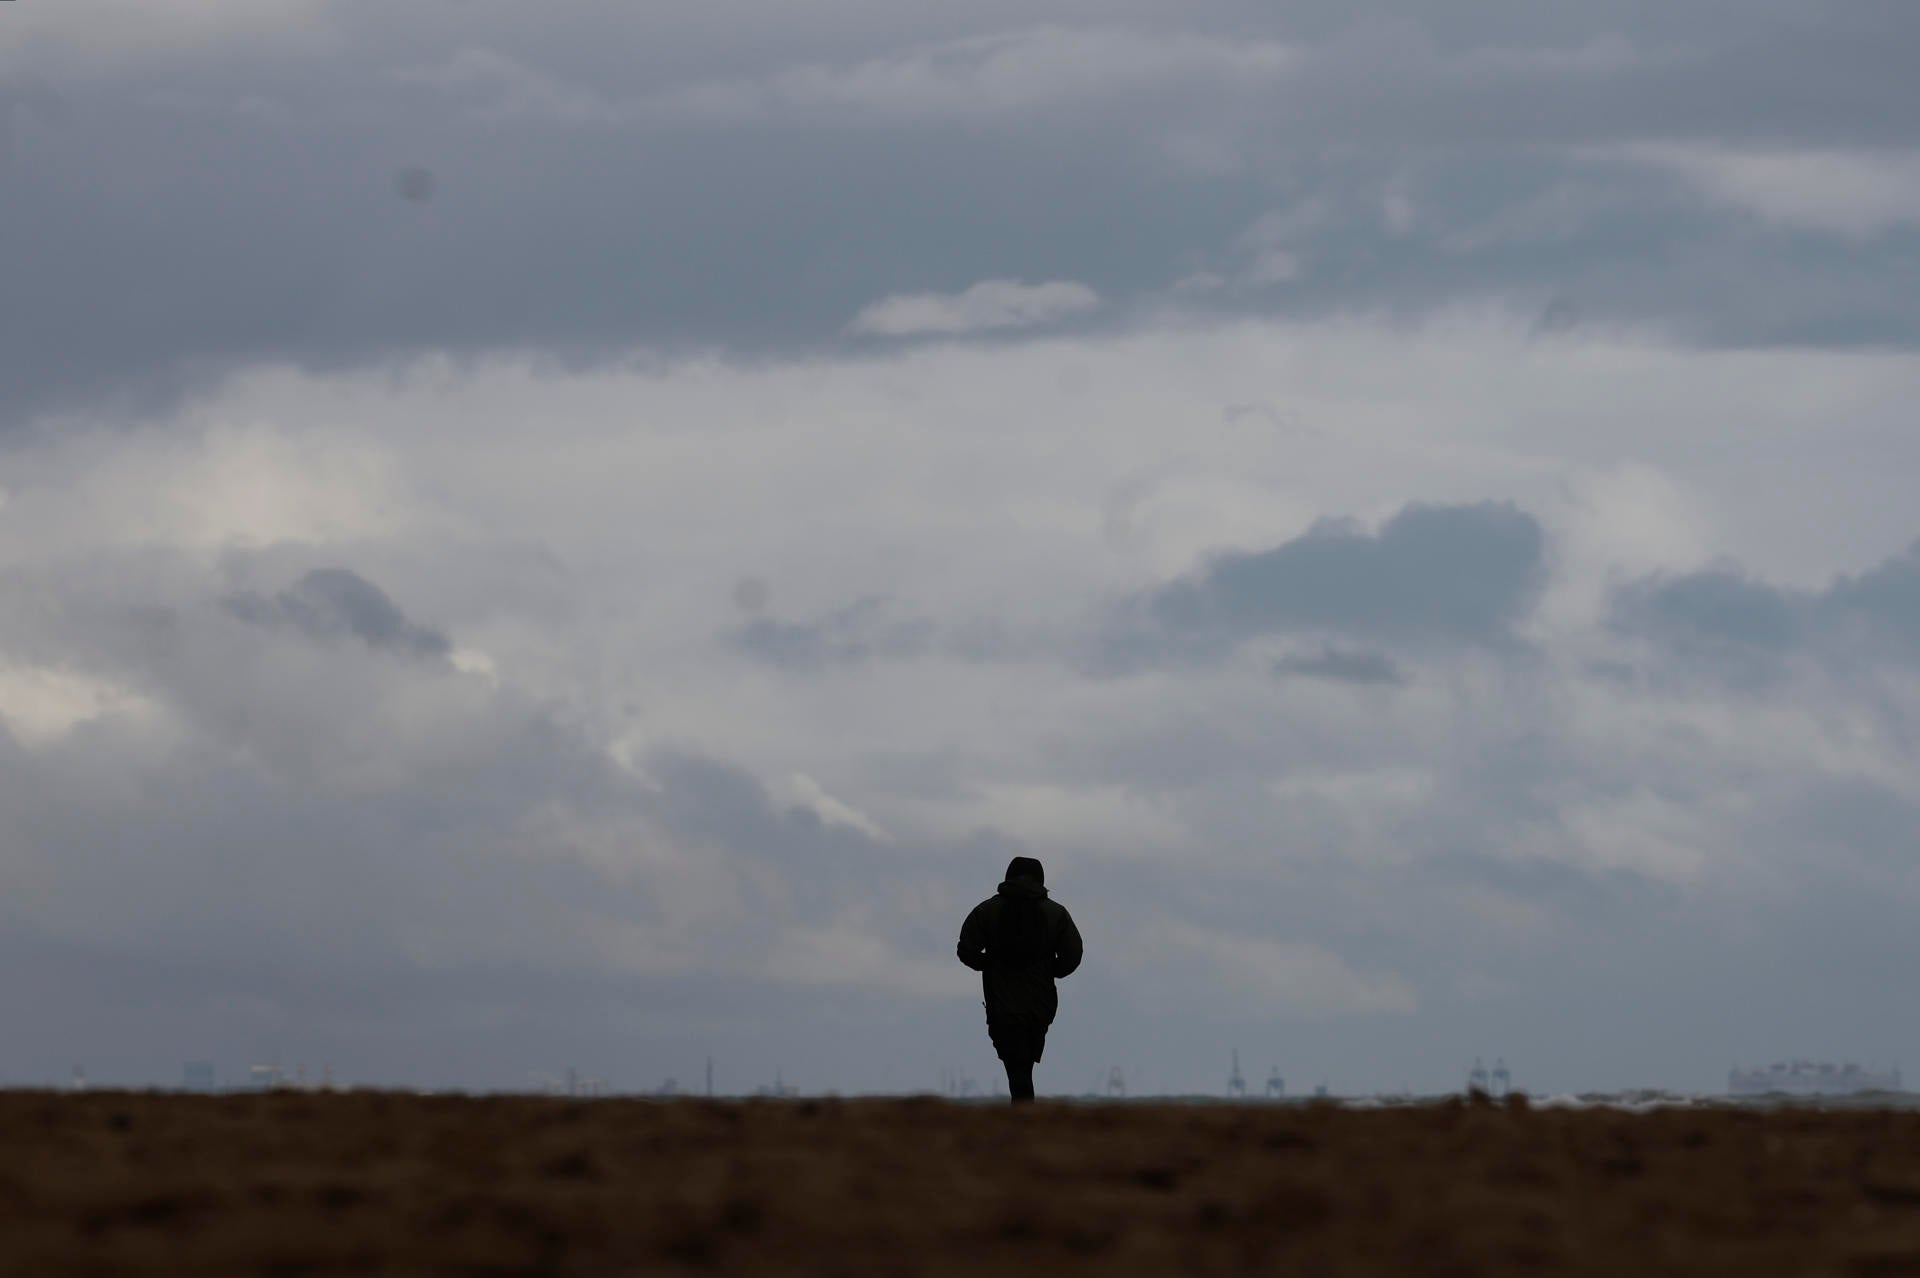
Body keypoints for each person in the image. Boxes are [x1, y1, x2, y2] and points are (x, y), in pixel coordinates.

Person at [956, 856, 1083, 1104]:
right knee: (1023, 1064)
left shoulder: (986, 910)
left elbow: (966, 950)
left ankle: (1023, 1118)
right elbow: (1073, 954)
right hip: (1040, 1003)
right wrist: (1050, 970)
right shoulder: (1056, 913)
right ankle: (1025, 1118)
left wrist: (990, 966)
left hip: (1001, 1002)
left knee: (1016, 1066)